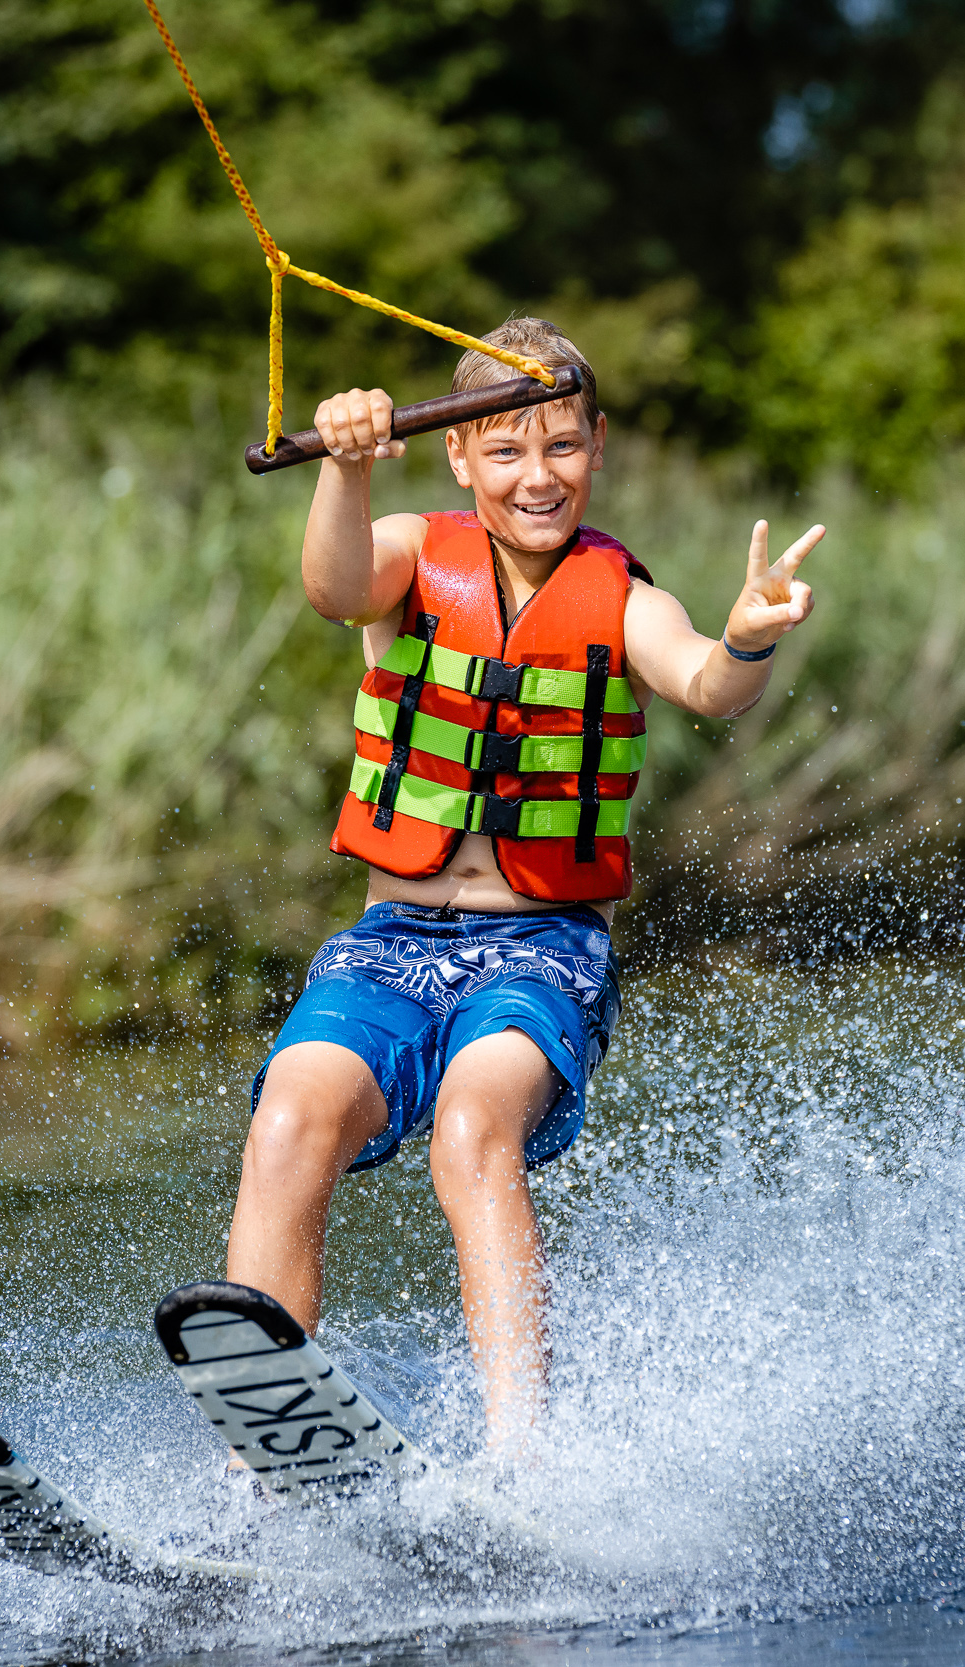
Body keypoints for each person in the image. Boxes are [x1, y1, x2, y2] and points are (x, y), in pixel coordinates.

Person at [224, 317, 823, 1459]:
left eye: (562, 446)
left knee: (471, 1127)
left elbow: (705, 682)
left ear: (597, 446)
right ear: (458, 456)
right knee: (291, 1118)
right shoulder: (410, 553)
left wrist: (747, 639)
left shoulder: (622, 595)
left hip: (543, 949)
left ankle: (521, 1467)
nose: (536, 475)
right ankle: (267, 1465)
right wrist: (346, 466)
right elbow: (333, 585)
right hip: (392, 941)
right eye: (505, 450)